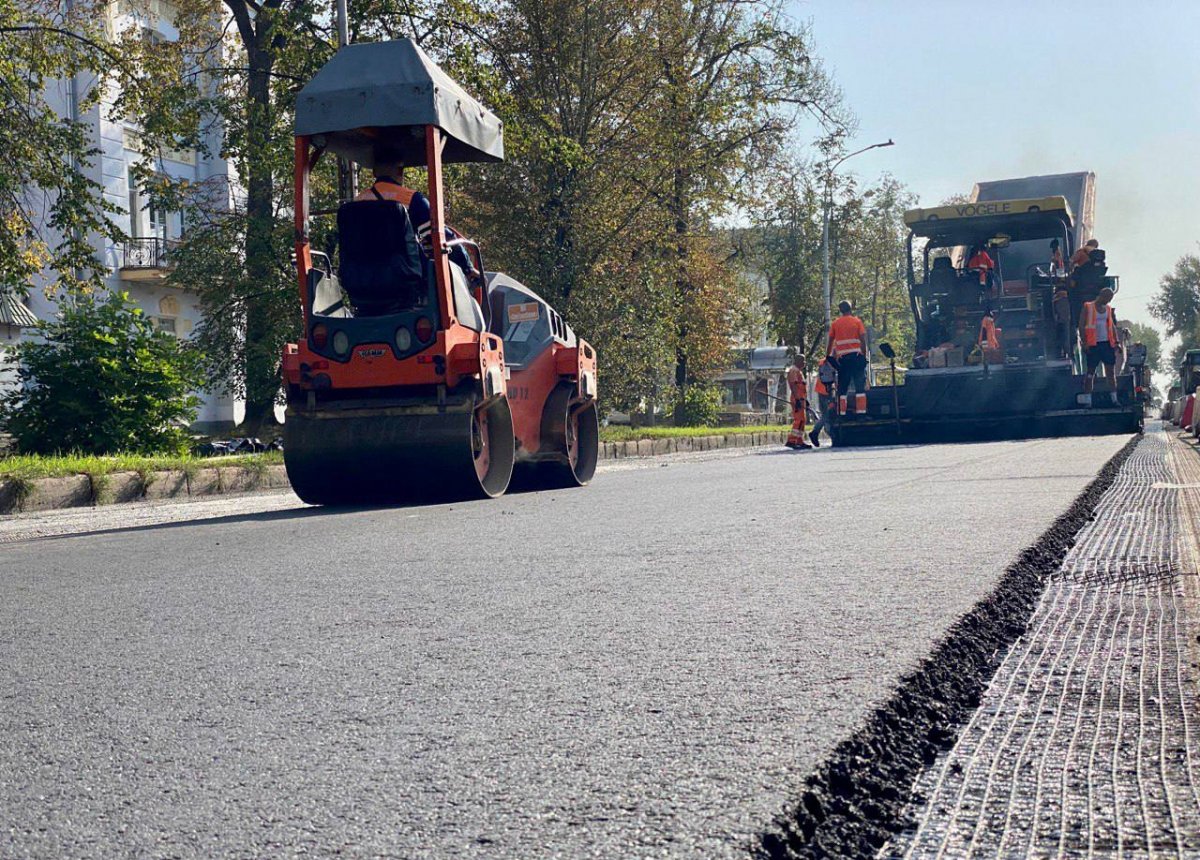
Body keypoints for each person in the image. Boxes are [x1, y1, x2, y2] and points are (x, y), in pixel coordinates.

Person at [1079, 287, 1121, 404]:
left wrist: (1117, 342)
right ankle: (1088, 400)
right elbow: (1082, 325)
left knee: (1110, 373)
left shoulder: (1108, 309)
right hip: (1093, 345)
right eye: (1108, 298)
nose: (1109, 301)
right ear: (1102, 295)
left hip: (1107, 344)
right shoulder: (1088, 307)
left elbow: (1111, 326)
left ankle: (1114, 399)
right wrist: (1084, 342)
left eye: (1111, 299)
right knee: (1090, 373)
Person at [827, 300, 868, 415]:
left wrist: (828, 355)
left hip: (843, 360)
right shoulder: (857, 322)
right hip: (856, 358)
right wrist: (863, 356)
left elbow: (830, 341)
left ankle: (842, 414)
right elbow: (863, 340)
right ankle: (861, 414)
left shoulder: (835, 324)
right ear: (851, 309)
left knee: (842, 389)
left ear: (840, 310)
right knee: (860, 388)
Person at [785, 353, 812, 449]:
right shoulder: (794, 371)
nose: (805, 363)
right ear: (798, 361)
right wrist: (797, 399)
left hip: (801, 399)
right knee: (799, 420)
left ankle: (799, 441)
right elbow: (793, 386)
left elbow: (801, 388)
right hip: (797, 399)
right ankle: (791, 440)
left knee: (802, 420)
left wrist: (805, 400)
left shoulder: (799, 371)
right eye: (803, 361)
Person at [809, 356, 837, 447]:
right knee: (827, 415)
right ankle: (816, 432)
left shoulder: (823, 362)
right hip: (827, 392)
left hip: (823, 391)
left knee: (827, 415)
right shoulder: (832, 362)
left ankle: (829, 435)